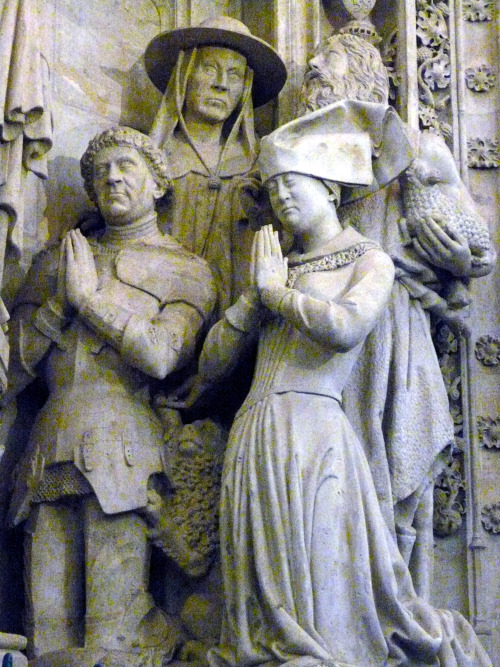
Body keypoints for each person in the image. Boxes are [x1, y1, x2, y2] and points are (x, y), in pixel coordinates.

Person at [185, 101, 492, 667]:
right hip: (255, 432)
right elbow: (210, 366)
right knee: (263, 587)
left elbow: (348, 328)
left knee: (323, 584)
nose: (280, 198)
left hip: (317, 431)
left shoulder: (368, 259)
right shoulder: (278, 268)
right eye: (273, 188)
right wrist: (254, 301)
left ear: (329, 187)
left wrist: (277, 297)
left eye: (292, 183)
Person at [4, 127, 216, 665]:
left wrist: (91, 300)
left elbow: (164, 355)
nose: (113, 178)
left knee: (110, 630)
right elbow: (14, 369)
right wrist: (58, 305)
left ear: (158, 181)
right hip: (49, 440)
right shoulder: (58, 260)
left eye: (126, 165)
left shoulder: (183, 267)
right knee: (46, 631)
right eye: (101, 172)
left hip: (124, 443)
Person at [301, 30, 496, 597]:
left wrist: (446, 228)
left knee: (391, 464)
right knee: (330, 475)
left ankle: (395, 607)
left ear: (362, 74)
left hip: (392, 327)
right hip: (322, 328)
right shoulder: (302, 156)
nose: (312, 65)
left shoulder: (413, 150)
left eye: (327, 59)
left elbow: (478, 249)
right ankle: (335, 602)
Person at [144, 15, 287, 312]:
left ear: (245, 87)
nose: (222, 85)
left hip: (238, 313)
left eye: (234, 75)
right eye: (209, 68)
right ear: (185, 74)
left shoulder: (258, 163)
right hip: (163, 304)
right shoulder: (149, 156)